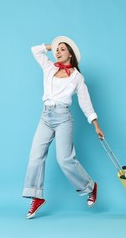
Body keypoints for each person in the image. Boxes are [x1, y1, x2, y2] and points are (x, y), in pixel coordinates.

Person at [22, 36, 104, 219]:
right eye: (56, 50)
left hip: (63, 118)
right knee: (35, 155)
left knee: (64, 159)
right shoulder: (49, 67)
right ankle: (36, 196)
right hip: (45, 116)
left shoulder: (77, 77)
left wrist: (96, 125)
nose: (57, 52)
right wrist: (53, 45)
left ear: (71, 55)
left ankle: (90, 187)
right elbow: (35, 49)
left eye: (62, 50)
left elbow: (85, 103)